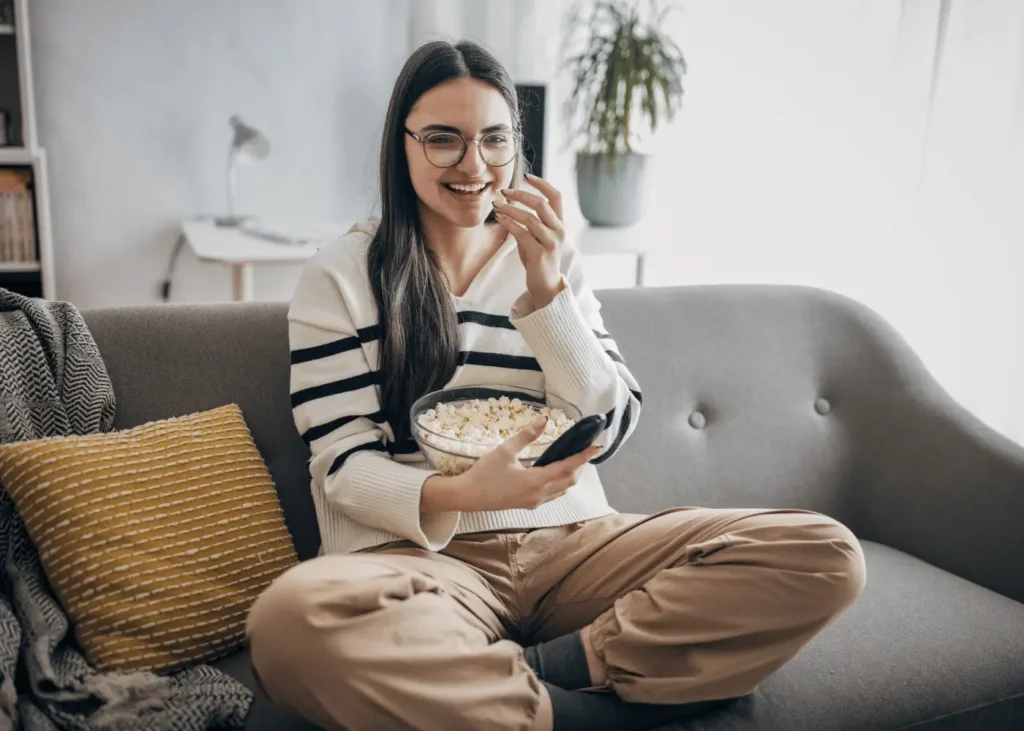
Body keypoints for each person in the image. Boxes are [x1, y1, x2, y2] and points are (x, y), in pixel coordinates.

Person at [245, 39, 866, 731]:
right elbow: (340, 464)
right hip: (419, 561)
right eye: (444, 140)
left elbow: (613, 425)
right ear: (403, 145)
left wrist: (547, 289)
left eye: (495, 139)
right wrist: (460, 493)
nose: (474, 165)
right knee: (288, 622)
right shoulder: (342, 273)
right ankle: (581, 712)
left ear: (518, 145)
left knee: (826, 553)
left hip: (574, 543)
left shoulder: (550, 254)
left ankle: (556, 672)